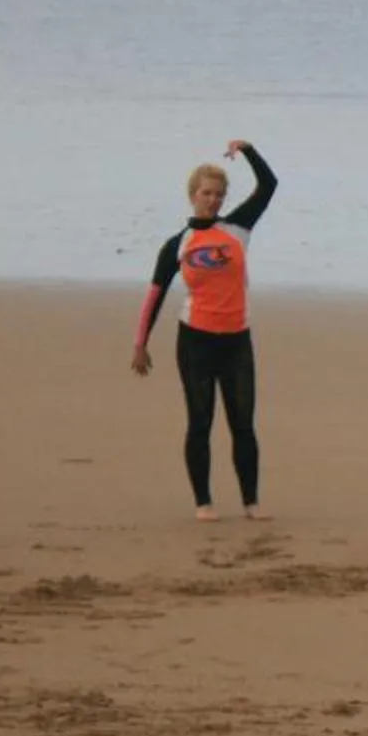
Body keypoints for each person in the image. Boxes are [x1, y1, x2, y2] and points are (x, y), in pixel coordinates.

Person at [131, 142, 278, 521]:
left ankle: (251, 502)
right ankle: (203, 502)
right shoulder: (178, 244)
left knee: (243, 424)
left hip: (236, 341)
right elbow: (155, 295)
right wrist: (140, 344)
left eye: (218, 194)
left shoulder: (238, 228)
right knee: (200, 423)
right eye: (206, 193)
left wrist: (248, 150)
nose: (212, 200)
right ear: (193, 195)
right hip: (196, 341)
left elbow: (268, 184)